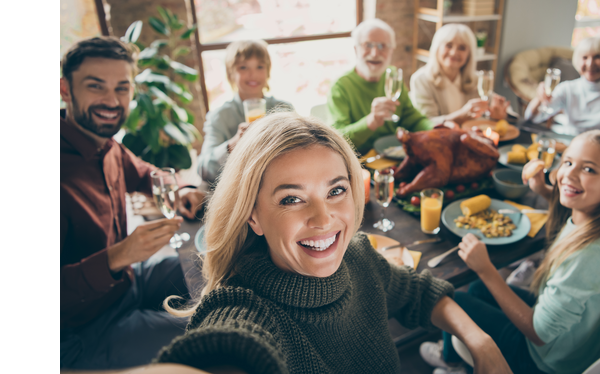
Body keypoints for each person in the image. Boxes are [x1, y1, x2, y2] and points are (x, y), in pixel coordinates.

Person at [155, 112, 512, 374]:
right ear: (253, 216)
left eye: (336, 190)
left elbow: (418, 292)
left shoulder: (357, 258)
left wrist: (479, 340)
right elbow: (220, 354)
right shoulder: (246, 309)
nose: (324, 218)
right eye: (291, 199)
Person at [421, 130, 600, 374]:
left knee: (453, 299)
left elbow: (538, 333)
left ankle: (452, 363)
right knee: (477, 288)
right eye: (569, 162)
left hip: (543, 361)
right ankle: (455, 353)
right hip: (577, 342)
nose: (569, 174)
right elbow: (576, 210)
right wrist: (543, 190)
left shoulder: (588, 256)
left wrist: (486, 269)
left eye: (589, 169)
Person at [60, 37, 207, 369]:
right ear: (65, 89)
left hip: (128, 282)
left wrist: (182, 188)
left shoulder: (107, 145)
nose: (111, 100)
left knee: (212, 263)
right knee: (215, 331)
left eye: (122, 88)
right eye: (96, 86)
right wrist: (118, 256)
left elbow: (147, 173)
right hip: (81, 332)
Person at [327, 19, 432, 154]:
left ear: (391, 51)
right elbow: (336, 140)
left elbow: (412, 119)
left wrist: (437, 129)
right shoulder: (340, 86)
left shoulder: (392, 76)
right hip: (359, 163)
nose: (375, 53)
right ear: (356, 50)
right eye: (368, 45)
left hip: (393, 155)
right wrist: (371, 121)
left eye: (382, 46)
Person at [197, 39, 293, 186]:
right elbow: (204, 170)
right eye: (243, 67)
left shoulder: (284, 109)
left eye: (260, 67)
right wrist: (233, 145)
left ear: (268, 72)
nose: (253, 74)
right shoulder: (220, 116)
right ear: (231, 74)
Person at [524, 36, 600, 143]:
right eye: (585, 57)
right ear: (577, 61)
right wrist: (539, 98)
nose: (590, 63)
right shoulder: (567, 88)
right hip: (568, 147)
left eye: (597, 57)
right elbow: (533, 118)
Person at [410, 23, 509, 125]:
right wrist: (461, 115)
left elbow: (504, 110)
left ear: (469, 54)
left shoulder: (476, 79)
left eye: (462, 48)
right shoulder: (421, 80)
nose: (453, 53)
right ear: (437, 48)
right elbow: (426, 123)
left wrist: (500, 115)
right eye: (448, 45)